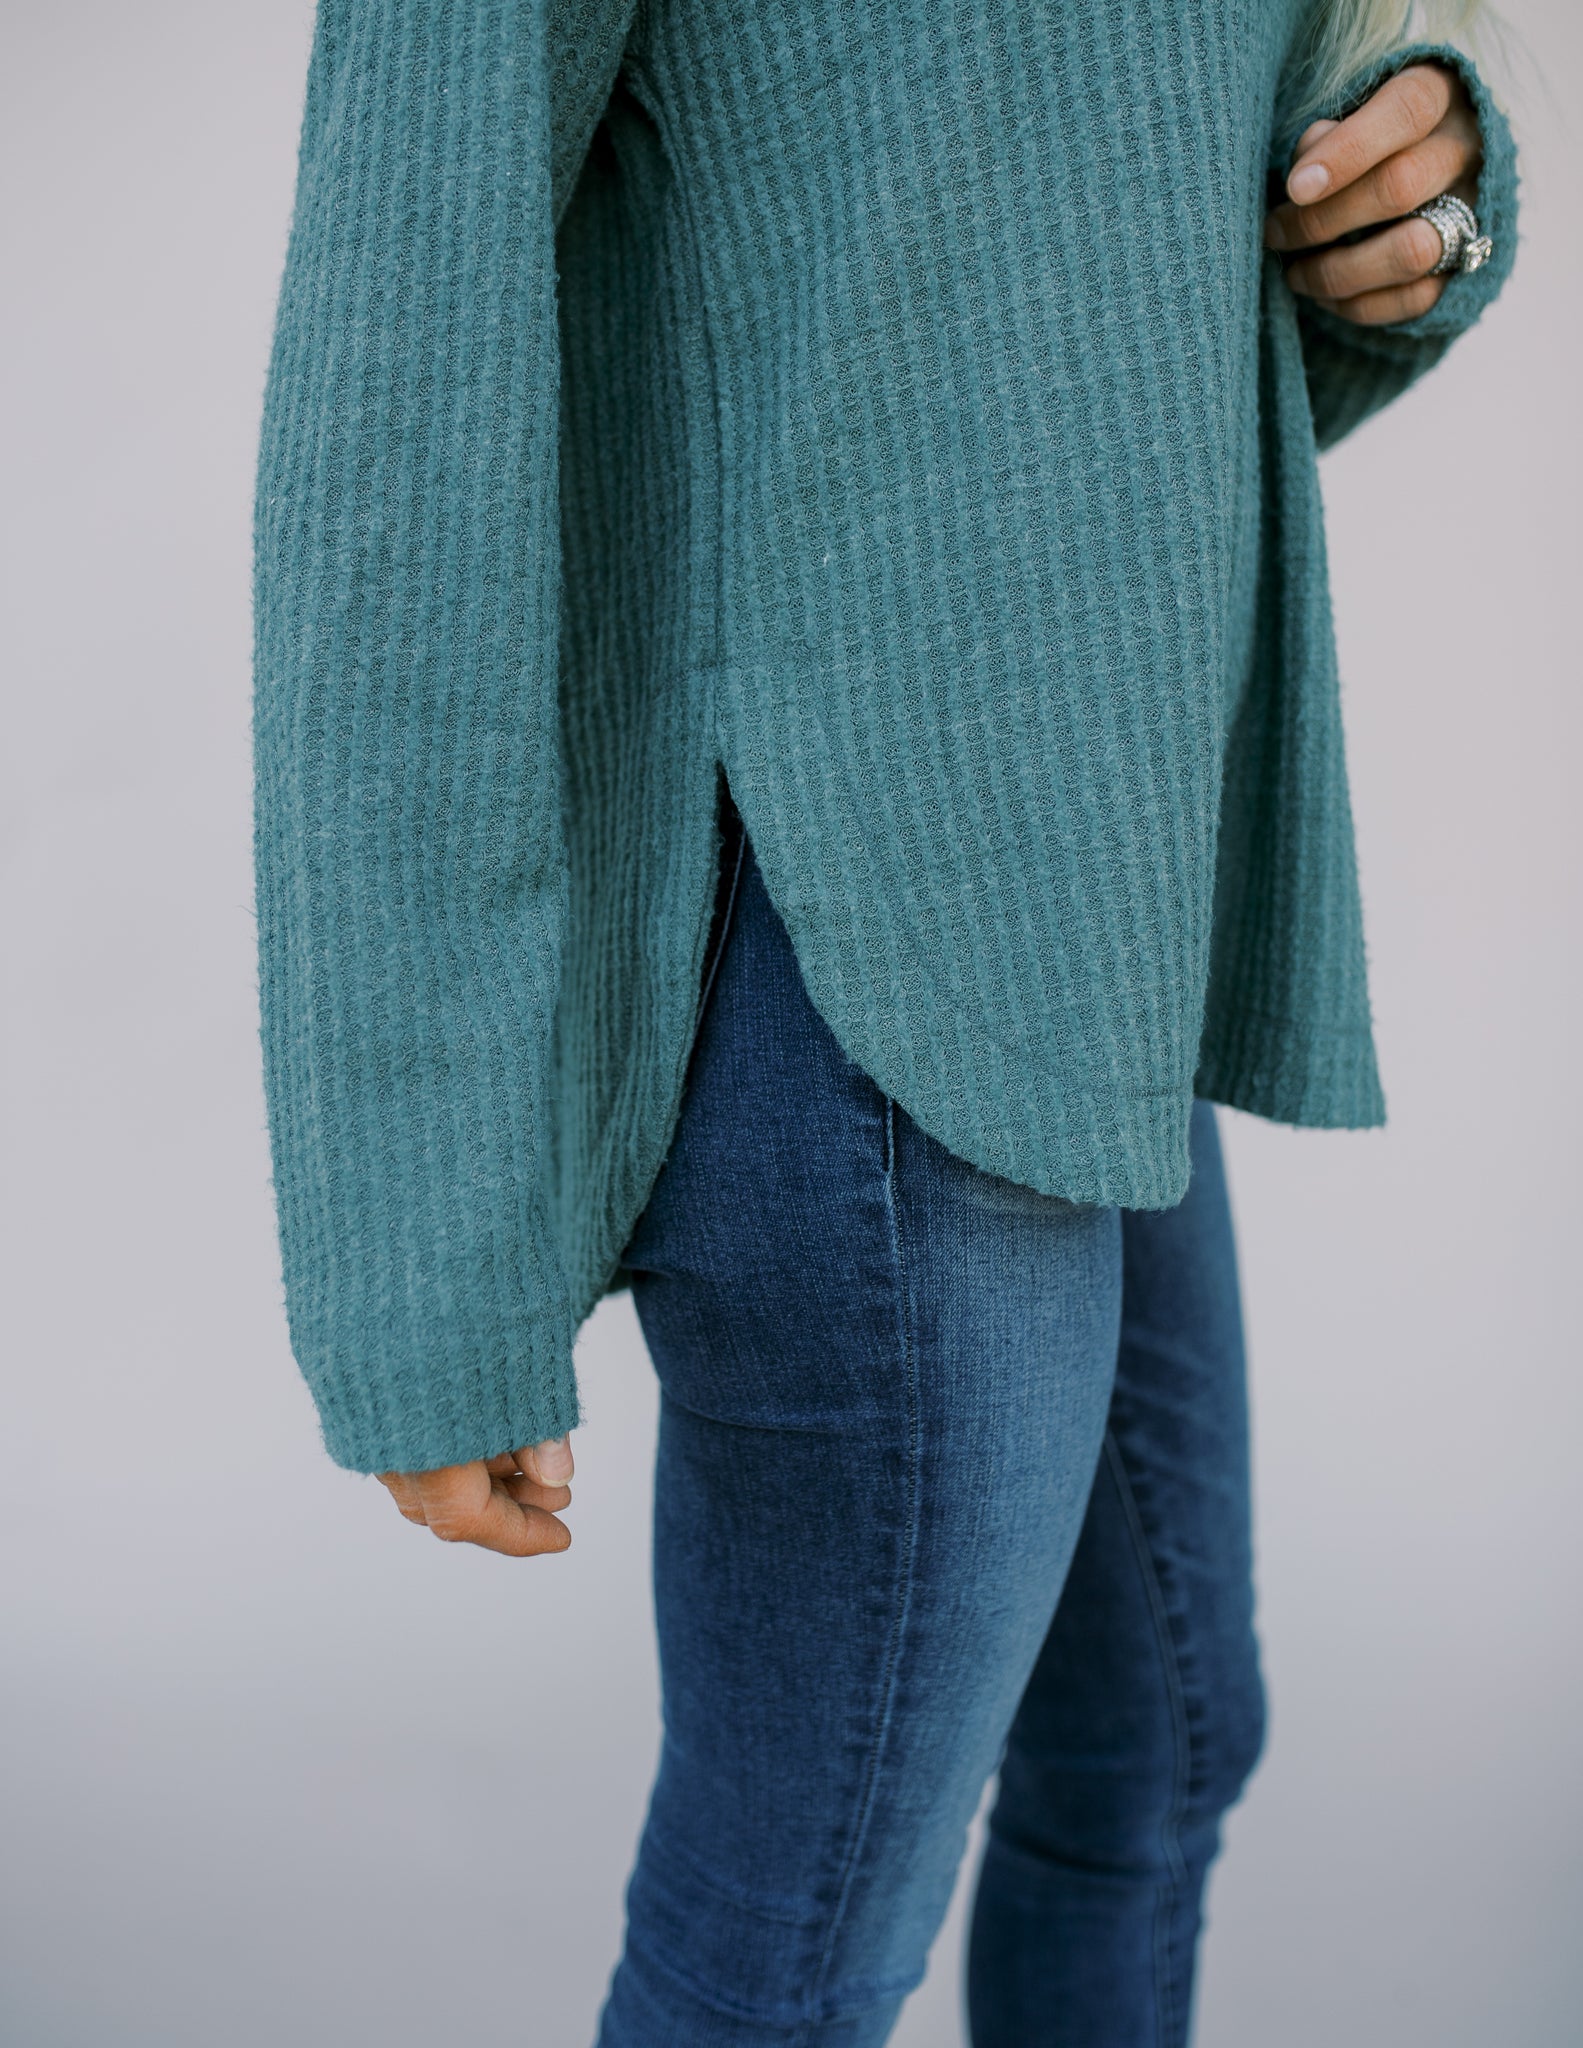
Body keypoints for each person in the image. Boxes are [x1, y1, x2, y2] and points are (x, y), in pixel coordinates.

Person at [251, 3, 1519, 2041]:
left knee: (1155, 1756)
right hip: (845, 952)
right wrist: (422, 1236)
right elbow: (398, 418)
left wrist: (1408, 206)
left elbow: (1084, 282)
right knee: (787, 1962)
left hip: (1096, 908)